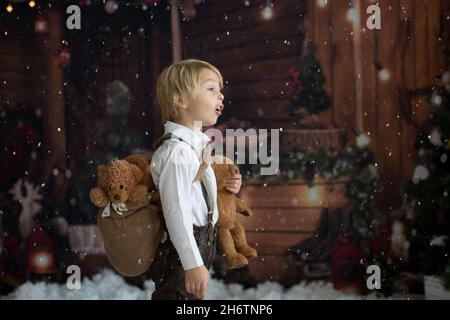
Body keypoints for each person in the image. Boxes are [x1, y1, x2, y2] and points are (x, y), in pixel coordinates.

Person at [149, 59, 242, 300]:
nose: (220, 96)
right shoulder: (177, 152)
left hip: (199, 241)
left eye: (220, 90)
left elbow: (198, 191)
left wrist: (227, 186)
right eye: (211, 89)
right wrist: (191, 263)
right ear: (181, 100)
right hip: (183, 248)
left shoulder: (194, 147)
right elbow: (176, 209)